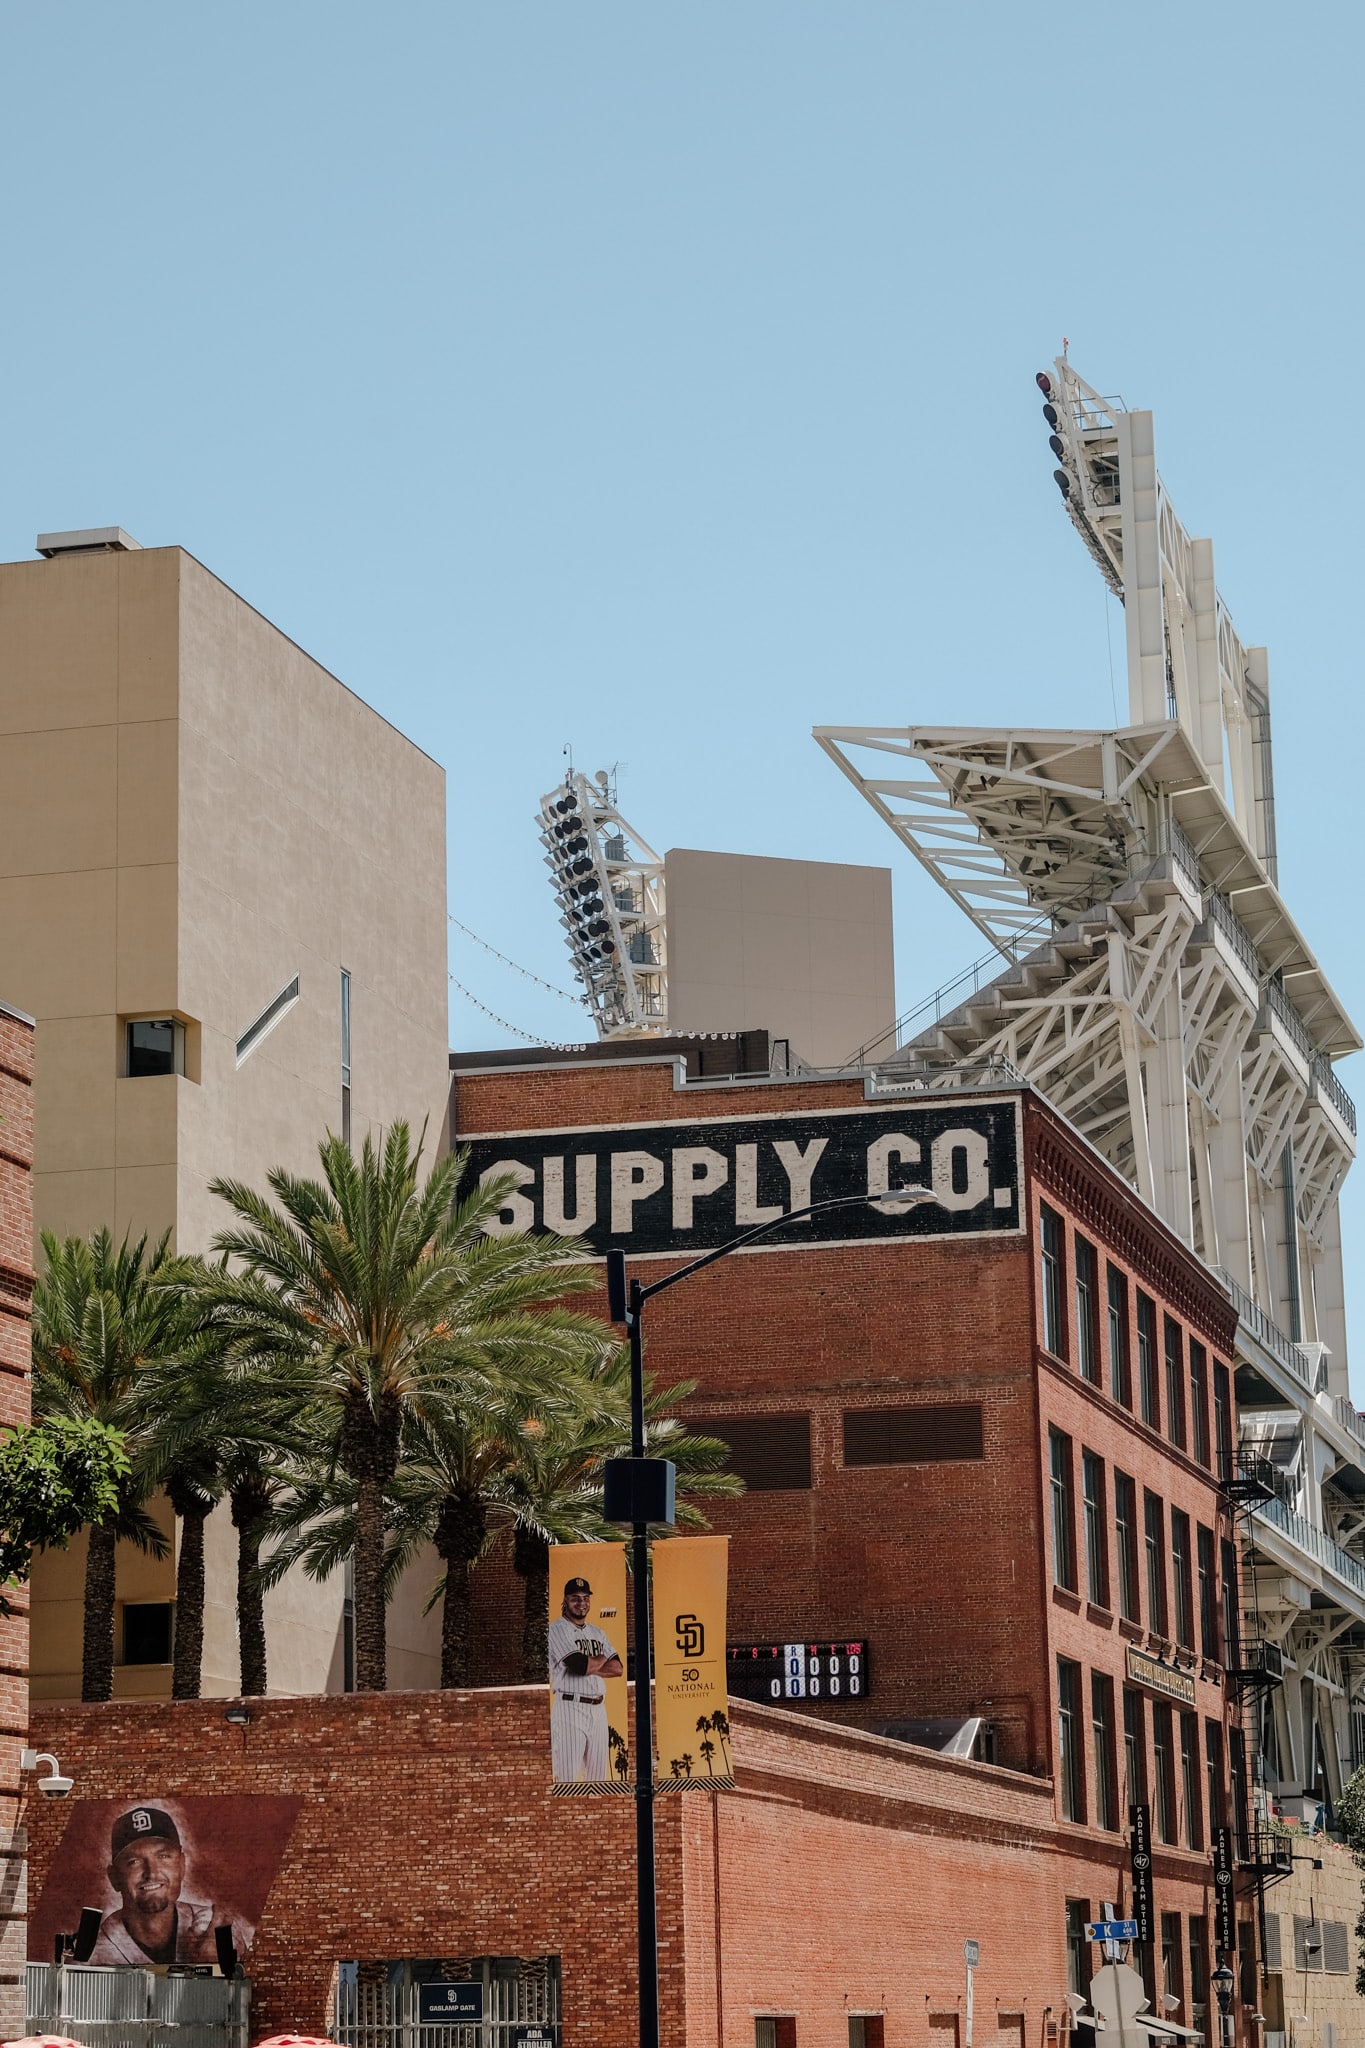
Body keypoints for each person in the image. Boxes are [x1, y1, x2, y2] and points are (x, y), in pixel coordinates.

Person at [88, 1806, 251, 1968]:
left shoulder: (217, 1931)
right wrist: (205, 1968)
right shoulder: (92, 1953)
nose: (151, 1873)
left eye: (163, 1856)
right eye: (134, 1862)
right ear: (114, 1877)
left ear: (181, 1865)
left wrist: (226, 1966)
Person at [547, 1575, 622, 1783]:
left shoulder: (598, 1632)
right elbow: (580, 1666)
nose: (581, 1603)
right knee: (567, 1779)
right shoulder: (556, 1630)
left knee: (599, 1781)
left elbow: (618, 1669)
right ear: (565, 1601)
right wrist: (601, 1658)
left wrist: (591, 1665)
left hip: (598, 1709)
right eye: (575, 1598)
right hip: (569, 1707)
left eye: (585, 1598)